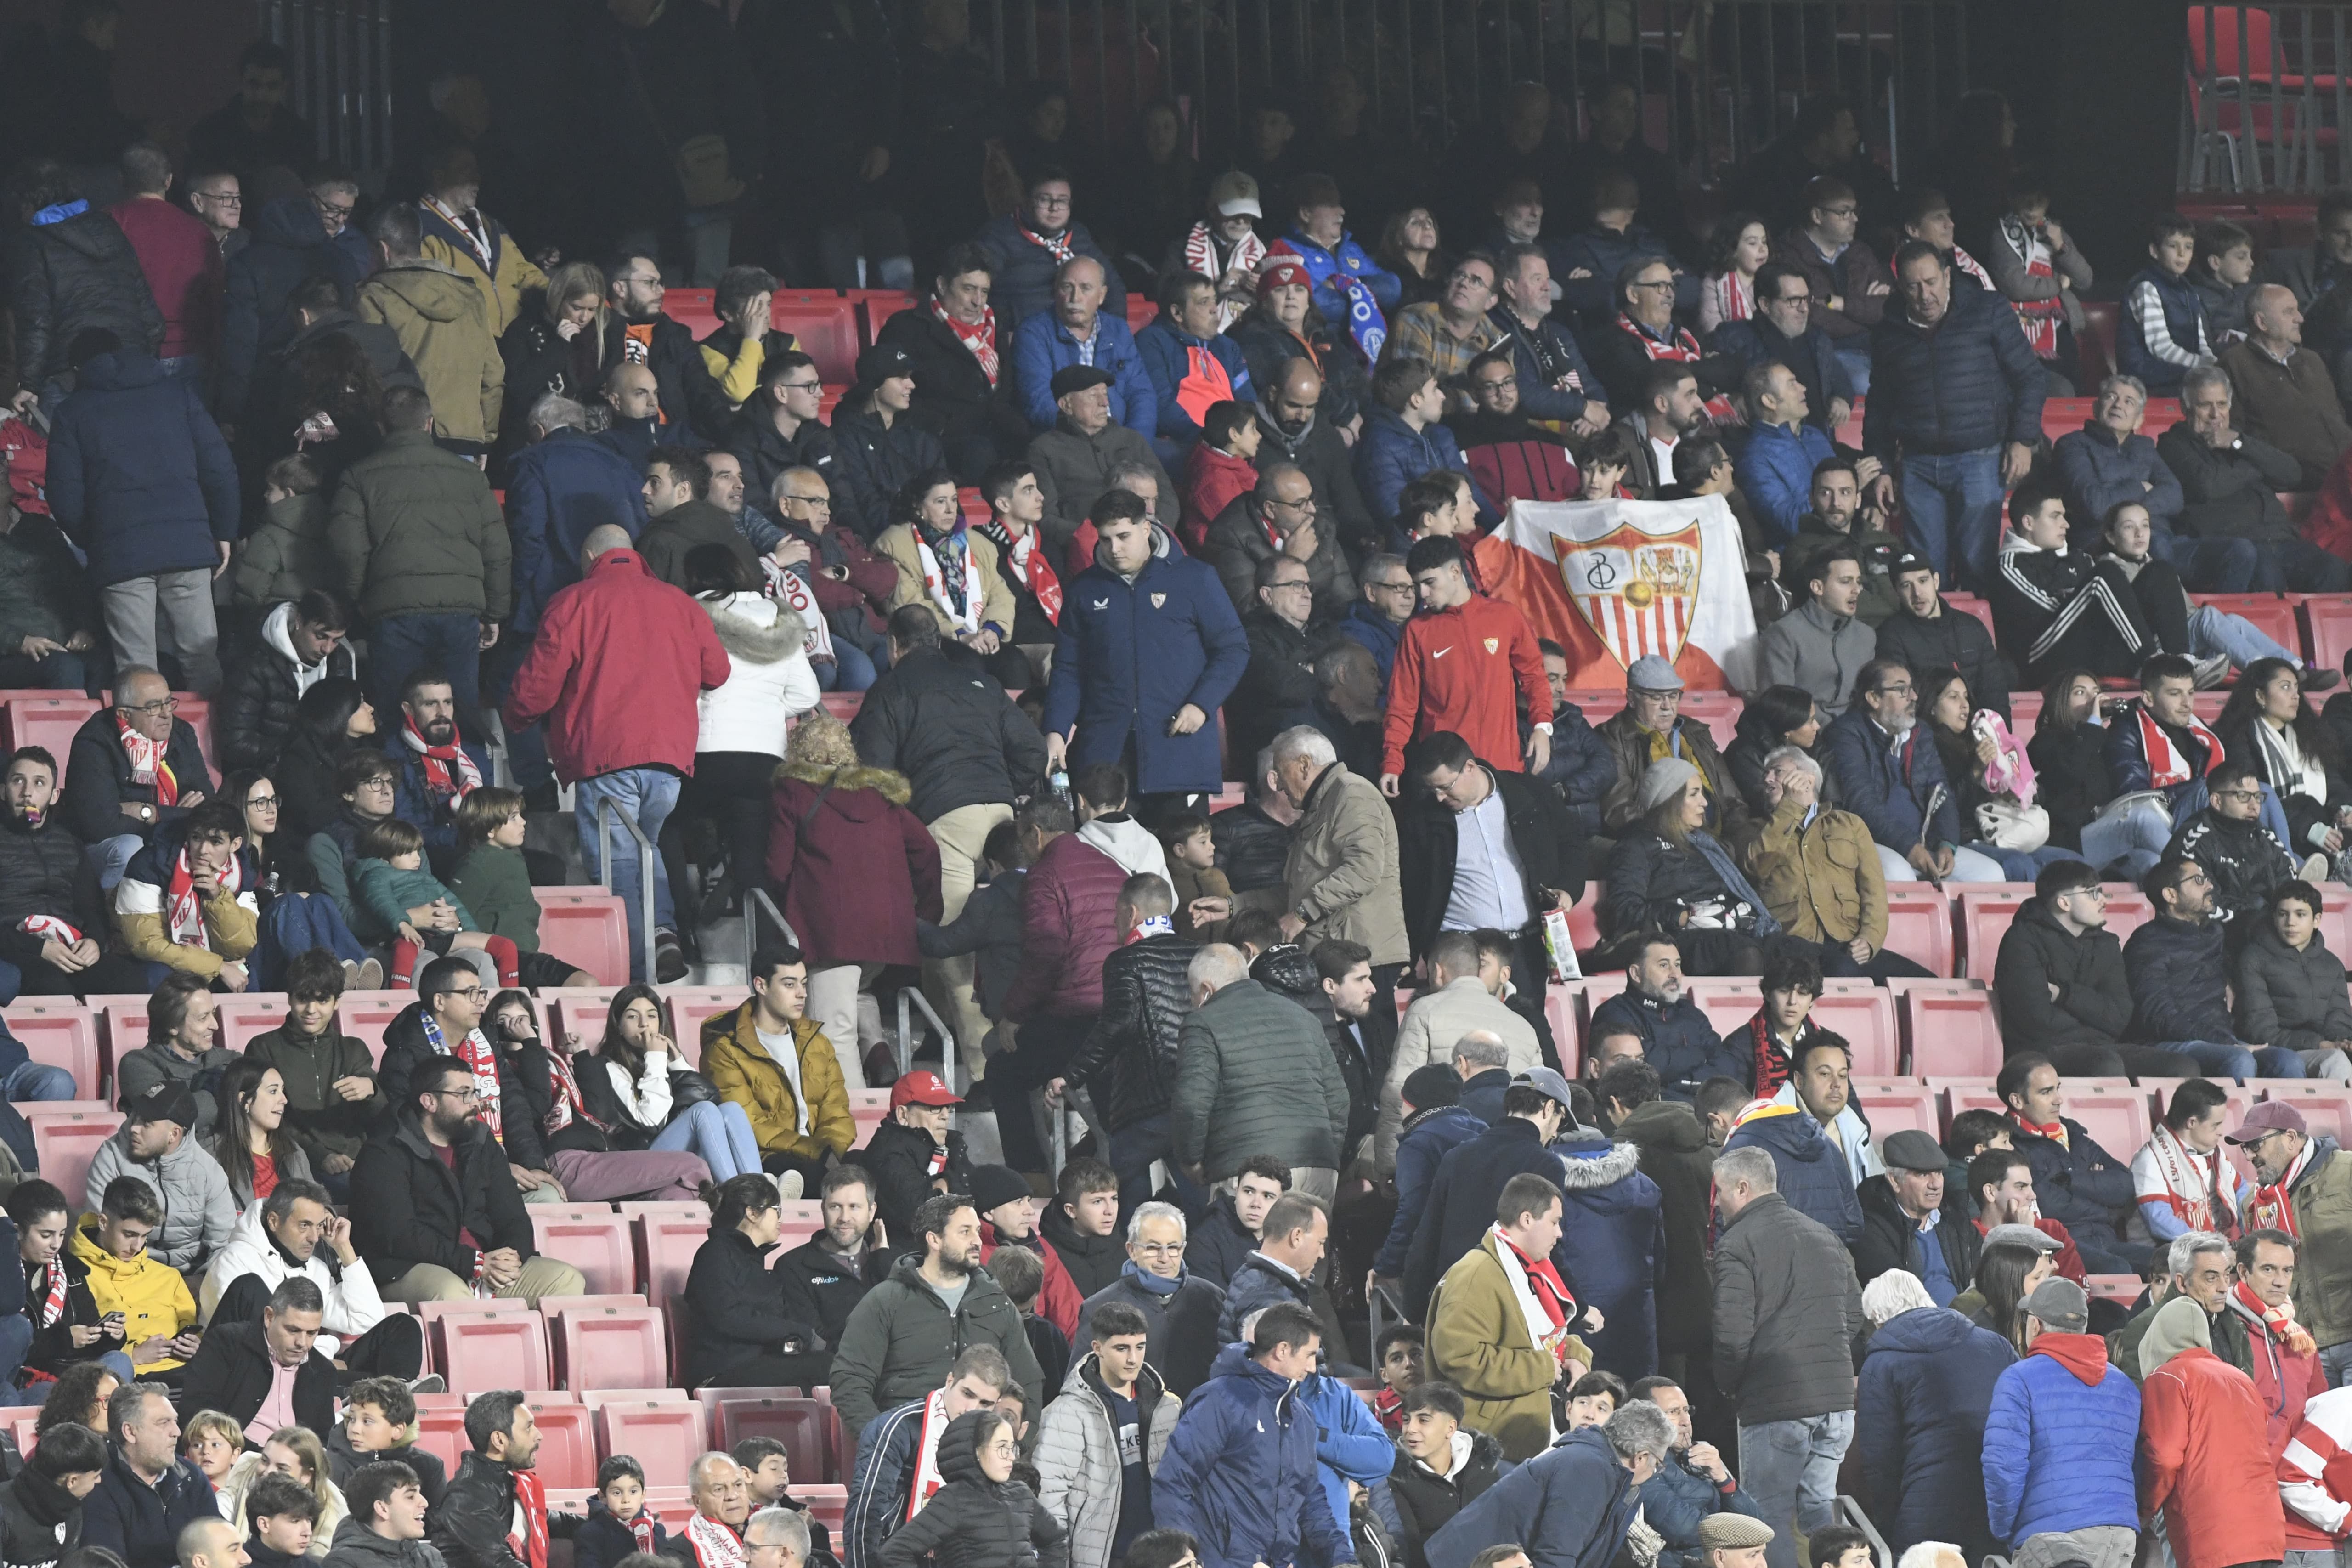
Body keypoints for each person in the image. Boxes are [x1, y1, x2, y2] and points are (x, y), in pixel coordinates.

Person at [503, 525, 728, 984]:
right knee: (645, 851)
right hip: (669, 759)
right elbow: (718, 671)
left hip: (605, 753)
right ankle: (663, 933)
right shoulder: (680, 603)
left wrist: (516, 717)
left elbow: (539, 683)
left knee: (620, 861)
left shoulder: (575, 601)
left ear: (590, 555)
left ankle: (641, 963)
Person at [1708, 1145, 1864, 1568]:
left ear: (1742, 1188)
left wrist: (1730, 1383)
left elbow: (1731, 1335)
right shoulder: (1824, 1234)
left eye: (1720, 1192)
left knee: (1765, 1519)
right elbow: (1854, 1316)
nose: (1717, 1203)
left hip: (1775, 1405)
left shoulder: (1737, 1243)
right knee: (1821, 1513)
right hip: (1836, 1405)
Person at [1862, 241, 2045, 595]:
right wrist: (1882, 466)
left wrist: (2022, 440)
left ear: (1948, 276)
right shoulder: (1888, 330)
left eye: (1931, 282)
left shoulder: (1988, 310)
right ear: (1901, 286)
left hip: (1981, 458)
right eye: (1914, 286)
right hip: (1916, 464)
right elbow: (1879, 406)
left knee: (1978, 568)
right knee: (1925, 572)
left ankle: (1980, 645)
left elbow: (2030, 377)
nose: (1924, 294)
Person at [1040, 495, 1244, 803]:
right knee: (1106, 850)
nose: (1115, 548)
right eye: (1106, 539)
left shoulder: (1196, 578)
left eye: (1124, 536)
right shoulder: (1084, 590)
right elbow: (1068, 668)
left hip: (1179, 748)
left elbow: (1233, 648)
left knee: (1180, 848)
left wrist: (1202, 705)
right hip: (1106, 751)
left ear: (1146, 528)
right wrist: (1056, 729)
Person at [325, 386, 509, 724]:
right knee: (460, 716)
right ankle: (469, 777)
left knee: (400, 715)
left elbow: (348, 550)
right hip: (461, 612)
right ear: (430, 424)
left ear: (382, 426)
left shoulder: (358, 476)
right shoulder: (470, 476)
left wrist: (359, 601)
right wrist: (494, 612)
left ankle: (403, 777)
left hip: (395, 612)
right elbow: (497, 549)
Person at [348, 1053, 588, 1307]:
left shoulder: (482, 1143)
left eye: (474, 1093)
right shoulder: (385, 1151)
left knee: (565, 1279)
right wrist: (472, 1263)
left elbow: (513, 1217)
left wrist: (508, 1258)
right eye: (464, 1094)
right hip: (408, 1267)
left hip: (483, 1266)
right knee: (452, 1295)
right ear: (430, 1102)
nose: (476, 1103)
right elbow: (398, 1235)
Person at [1152, 1302, 1356, 1568]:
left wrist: (1341, 1560)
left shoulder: (1301, 1416)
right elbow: (1175, 1481)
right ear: (1282, 1350)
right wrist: (1183, 1560)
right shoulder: (1219, 1401)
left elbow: (1310, 1498)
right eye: (1309, 1355)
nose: (1312, 1367)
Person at [829, 1193, 1045, 1443]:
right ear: (934, 1239)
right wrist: (883, 1439)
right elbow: (849, 1380)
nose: (977, 1240)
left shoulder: (997, 1302)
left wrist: (1015, 1443)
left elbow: (1028, 1384)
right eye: (965, 1232)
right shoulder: (886, 1300)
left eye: (977, 1231)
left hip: (979, 1449)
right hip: (904, 1449)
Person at [1852, 1272, 2012, 1562]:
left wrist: (1889, 1524)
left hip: (1925, 1510)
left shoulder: (1881, 1363)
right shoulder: (1995, 1344)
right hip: (1994, 1500)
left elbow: (1881, 1457)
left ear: (1877, 1316)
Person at [1172, 945, 1350, 1202]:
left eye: (1192, 994)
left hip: (1250, 1177)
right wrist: (1326, 1156)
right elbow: (1339, 1099)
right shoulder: (1303, 1017)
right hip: (1318, 1168)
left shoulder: (1203, 1022)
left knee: (1246, 1244)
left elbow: (1192, 1102)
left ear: (1206, 991)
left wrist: (1191, 1161)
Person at [1425, 1172, 1583, 1460]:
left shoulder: (1526, 1267)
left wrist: (1574, 1355)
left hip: (1526, 1439)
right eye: (1554, 1222)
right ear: (1526, 1220)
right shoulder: (1475, 1275)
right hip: (1492, 1449)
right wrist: (1542, 1369)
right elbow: (1460, 1358)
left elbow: (1537, 1337)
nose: (1559, 1233)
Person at [200, 1177, 420, 1382]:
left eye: (319, 1226)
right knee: (360, 1381)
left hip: (318, 1366)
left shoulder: (316, 1268)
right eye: (305, 1225)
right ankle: (385, 1391)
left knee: (402, 1325)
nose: (315, 1238)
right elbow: (262, 1342)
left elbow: (367, 1319)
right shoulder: (235, 1261)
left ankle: (397, 1388)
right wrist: (321, 1361)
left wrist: (344, 1250)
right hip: (265, 1373)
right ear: (274, 1221)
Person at [2160, 367, 2352, 592]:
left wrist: (2239, 444)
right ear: (2186, 408)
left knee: (2336, 571)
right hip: (2237, 544)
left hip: (2283, 541)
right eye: (2205, 405)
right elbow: (2208, 487)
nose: (2215, 414)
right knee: (2269, 577)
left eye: (2222, 404)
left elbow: (2292, 473)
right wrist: (2257, 465)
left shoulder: (2241, 440)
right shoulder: (2172, 444)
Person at [1421, 1401, 1674, 1568]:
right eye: (1658, 1464)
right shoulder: (1589, 1469)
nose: (1655, 1472)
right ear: (1640, 1457)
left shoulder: (1593, 1459)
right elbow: (1555, 1556)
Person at [1822, 659, 2007, 885]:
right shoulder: (1846, 734)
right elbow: (1862, 804)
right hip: (1870, 841)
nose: (1914, 697)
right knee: (1901, 876)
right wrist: (1910, 847)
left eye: (1912, 689)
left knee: (1989, 874)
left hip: (1922, 842)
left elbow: (1942, 792)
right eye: (1902, 690)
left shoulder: (1920, 731)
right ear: (1874, 698)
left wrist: (1946, 843)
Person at [2138, 1294, 2284, 1568]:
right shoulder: (2242, 1379)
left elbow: (2165, 1456)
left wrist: (2145, 1509)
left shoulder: (2168, 1377)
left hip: (2212, 1535)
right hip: (2267, 1531)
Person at [1032, 1300, 1179, 1568]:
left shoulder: (1167, 1407)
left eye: (1140, 1347)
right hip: (1100, 1556)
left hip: (1160, 1555)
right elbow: (1049, 1499)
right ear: (1097, 1348)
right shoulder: (1066, 1413)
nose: (1133, 1358)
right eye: (1122, 1348)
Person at [350, 205, 501, 459]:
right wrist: (484, 439)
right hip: (464, 440)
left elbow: (368, 373)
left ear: (383, 250)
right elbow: (494, 374)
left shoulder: (373, 297)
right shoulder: (472, 297)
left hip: (403, 440)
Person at [843, 1345, 1011, 1568]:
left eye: (985, 1404)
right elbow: (865, 1516)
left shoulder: (992, 1441)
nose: (972, 1409)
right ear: (950, 1381)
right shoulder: (897, 1428)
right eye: (967, 1394)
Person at [876, 245, 1032, 482]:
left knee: (1042, 448)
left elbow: (1005, 390)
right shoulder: (908, 328)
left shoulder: (994, 324)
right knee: (981, 453)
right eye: (969, 289)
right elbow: (889, 393)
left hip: (995, 428)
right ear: (942, 285)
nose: (977, 301)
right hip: (939, 437)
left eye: (984, 291)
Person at [587, 987, 770, 1185]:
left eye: (652, 1016)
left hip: (670, 1151)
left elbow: (708, 1098)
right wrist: (655, 1059)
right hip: (638, 1161)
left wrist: (677, 1063)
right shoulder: (608, 1068)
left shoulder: (661, 1059)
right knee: (702, 1112)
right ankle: (738, 1194)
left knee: (731, 1109)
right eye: (632, 1017)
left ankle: (760, 1190)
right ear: (619, 1026)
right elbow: (650, 1122)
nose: (644, 1024)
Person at [1998, 1053, 2150, 1276]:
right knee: (2118, 1270)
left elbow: (2126, 1185)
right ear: (2017, 1101)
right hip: (2063, 1244)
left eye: (2057, 1088)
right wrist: (2101, 1196)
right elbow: (2048, 1206)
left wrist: (2071, 1179)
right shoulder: (2012, 1146)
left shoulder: (2074, 1135)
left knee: (2173, 1261)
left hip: (2107, 1238)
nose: (2058, 1099)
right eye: (2046, 1092)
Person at [678, 1172, 824, 1391]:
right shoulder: (715, 1253)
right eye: (777, 1211)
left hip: (760, 1365)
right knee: (828, 1369)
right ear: (753, 1213)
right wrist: (800, 1332)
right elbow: (728, 1316)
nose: (781, 1219)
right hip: (722, 1372)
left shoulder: (756, 1263)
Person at [1070, 1201, 1223, 1400]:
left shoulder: (1211, 1298)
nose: (1164, 1258)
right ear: (1132, 1250)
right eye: (1153, 1248)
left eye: (1173, 1247)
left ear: (1183, 1249)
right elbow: (1078, 1386)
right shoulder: (1099, 1307)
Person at [82, 1082, 235, 1278]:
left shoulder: (208, 1172)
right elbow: (99, 1229)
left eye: (147, 1123)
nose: (134, 1128)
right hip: (128, 1270)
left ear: (174, 1134)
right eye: (136, 1116)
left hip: (190, 1275)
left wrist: (203, 1281)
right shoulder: (111, 1156)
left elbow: (222, 1245)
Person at [1596, 658, 1748, 841]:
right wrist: (1674, 841)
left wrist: (1735, 840)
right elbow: (1619, 811)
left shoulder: (1696, 732)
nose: (1667, 706)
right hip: (1662, 842)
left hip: (1716, 839)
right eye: (1656, 698)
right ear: (1631, 698)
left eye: (1673, 695)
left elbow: (1732, 800)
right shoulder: (1614, 737)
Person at [80, 1380, 217, 1568]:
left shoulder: (190, 1476)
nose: (177, 1432)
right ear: (130, 1432)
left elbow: (218, 1546)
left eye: (175, 1421)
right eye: (163, 1423)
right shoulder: (98, 1484)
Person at [1850, 1132, 1982, 1304]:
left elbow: (1983, 1275)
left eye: (1939, 1173)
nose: (1935, 1184)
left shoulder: (1956, 1218)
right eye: (1923, 1175)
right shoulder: (1872, 1227)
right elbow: (1895, 1301)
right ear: (1895, 1181)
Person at [424, 1389, 551, 1568]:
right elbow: (499, 1562)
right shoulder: (468, 1496)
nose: (539, 1435)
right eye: (528, 1428)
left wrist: (601, 1515)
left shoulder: (505, 1479)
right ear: (499, 1440)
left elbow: (541, 1517)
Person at [1386, 1382, 1505, 1568]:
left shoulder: (1483, 1465)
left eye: (1424, 1420)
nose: (1410, 1429)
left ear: (1450, 1429)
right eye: (1407, 1420)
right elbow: (1408, 1550)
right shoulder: (1395, 1477)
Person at [1755, 545, 1873, 721]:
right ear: (1818, 587)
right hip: (1804, 736)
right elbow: (1778, 708)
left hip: (1854, 736)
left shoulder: (1866, 636)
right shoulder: (1784, 634)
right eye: (1846, 581)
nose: (1856, 589)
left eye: (1858, 581)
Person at [0, 1420, 104, 1567]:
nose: (99, 1481)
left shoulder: (72, 1509)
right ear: (72, 1481)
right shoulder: (4, 1510)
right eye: (95, 1476)